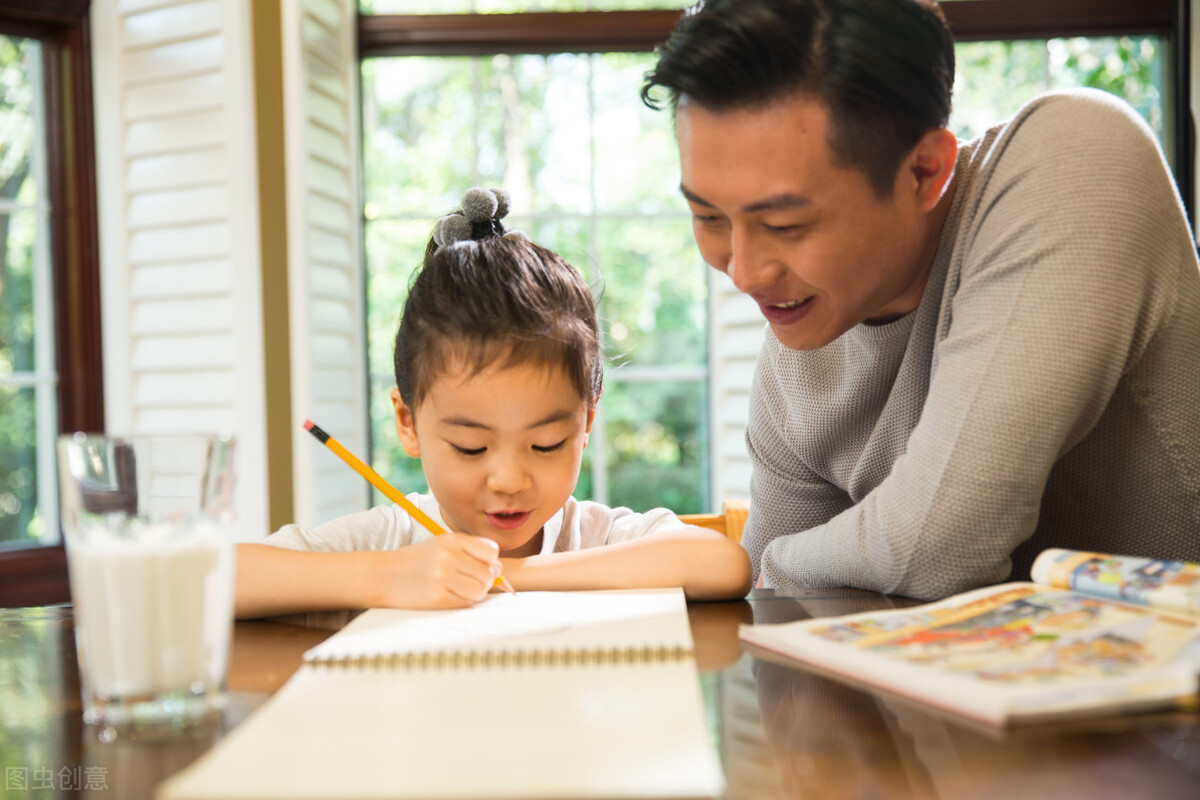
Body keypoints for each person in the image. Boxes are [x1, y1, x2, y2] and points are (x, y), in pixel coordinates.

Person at [641, 0, 1200, 599]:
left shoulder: (1076, 159)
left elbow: (930, 548)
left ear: (924, 172)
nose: (744, 272)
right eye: (707, 215)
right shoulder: (796, 363)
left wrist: (767, 562)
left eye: (785, 224)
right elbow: (778, 616)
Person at [235, 187, 752, 618]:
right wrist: (388, 576)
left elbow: (723, 564)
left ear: (587, 419)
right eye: (470, 447)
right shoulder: (392, 539)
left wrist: (507, 574)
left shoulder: (594, 535)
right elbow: (218, 579)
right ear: (407, 422)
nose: (508, 480)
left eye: (546, 444)